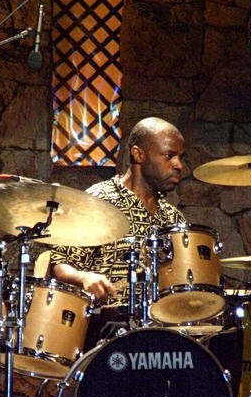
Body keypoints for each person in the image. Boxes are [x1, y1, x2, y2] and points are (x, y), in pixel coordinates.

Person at [50, 116, 187, 305]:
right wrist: (83, 277)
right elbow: (61, 264)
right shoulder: (99, 201)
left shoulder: (173, 219)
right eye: (169, 156)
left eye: (181, 157)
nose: (178, 165)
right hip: (106, 318)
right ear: (138, 154)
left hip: (160, 318)